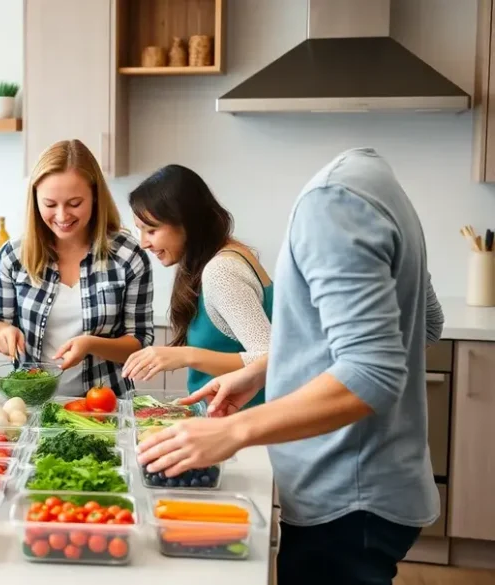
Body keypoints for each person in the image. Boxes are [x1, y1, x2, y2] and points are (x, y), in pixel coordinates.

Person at [136, 148, 445, 585]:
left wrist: (231, 430)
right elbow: (426, 326)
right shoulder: (379, 183)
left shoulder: (331, 203)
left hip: (347, 493)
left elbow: (372, 374)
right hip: (384, 482)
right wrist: (263, 370)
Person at [0, 139, 155, 396]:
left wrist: (90, 345)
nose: (63, 216)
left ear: (95, 197)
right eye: (50, 204)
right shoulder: (14, 255)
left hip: (106, 405)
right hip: (32, 404)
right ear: (35, 200)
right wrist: (3, 333)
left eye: (75, 203)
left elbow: (139, 341)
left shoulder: (127, 256)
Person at [122, 165, 273, 407]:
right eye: (141, 230)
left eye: (152, 230)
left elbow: (269, 357)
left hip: (244, 423)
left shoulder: (221, 271)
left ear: (187, 223)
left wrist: (185, 356)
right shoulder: (229, 253)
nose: (144, 243)